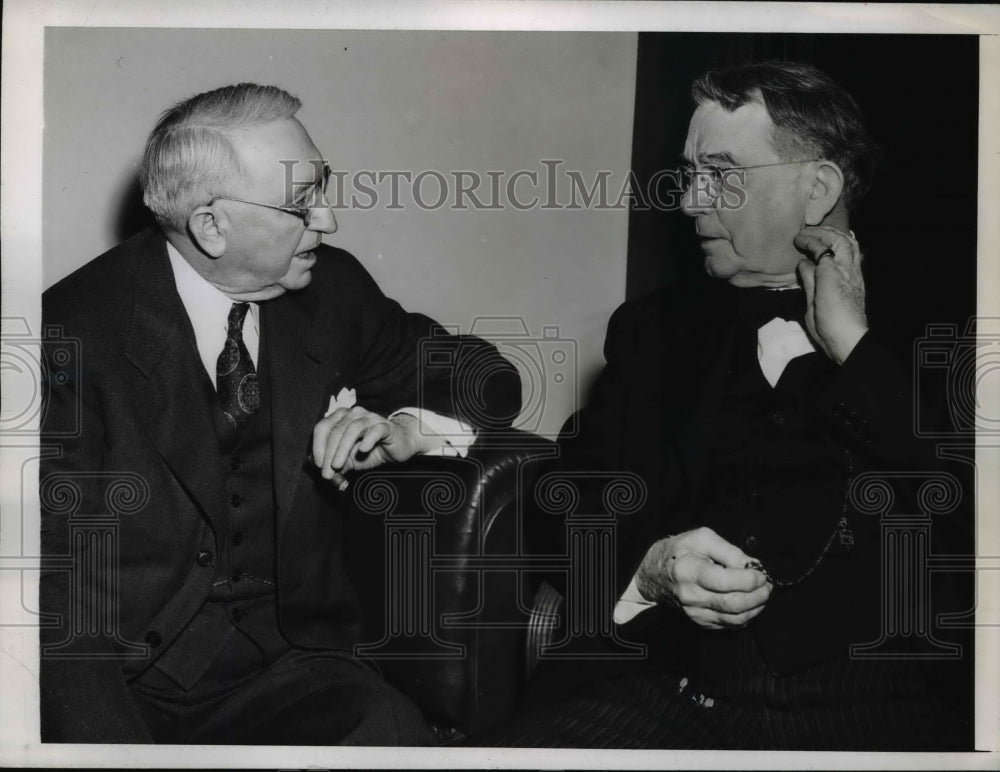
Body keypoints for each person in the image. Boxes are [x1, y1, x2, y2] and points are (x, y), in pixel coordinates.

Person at [477, 61, 970, 750]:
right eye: (690, 173)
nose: (688, 201)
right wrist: (650, 567)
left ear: (818, 188)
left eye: (721, 173)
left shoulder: (954, 331)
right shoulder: (652, 330)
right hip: (667, 690)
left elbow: (969, 519)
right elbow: (563, 498)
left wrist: (855, 352)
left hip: (886, 712)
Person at [39, 83, 521, 745]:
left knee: (391, 734)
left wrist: (408, 429)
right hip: (127, 681)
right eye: (301, 203)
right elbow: (53, 597)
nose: (329, 219)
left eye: (322, 186)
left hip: (290, 663)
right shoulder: (67, 337)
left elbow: (484, 376)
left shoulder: (333, 291)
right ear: (211, 226)